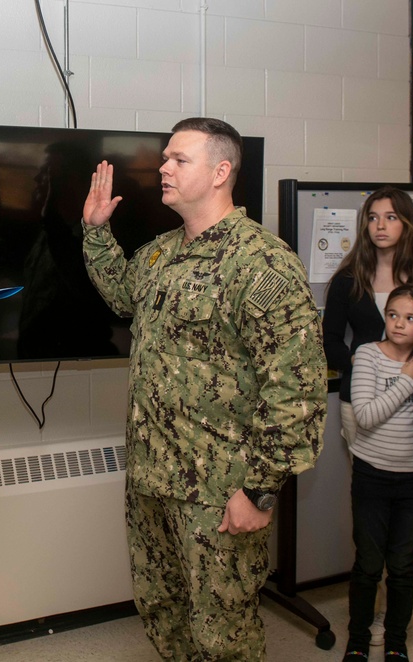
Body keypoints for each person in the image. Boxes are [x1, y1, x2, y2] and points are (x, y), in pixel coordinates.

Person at [81, 117, 327, 661]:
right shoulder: (160, 253)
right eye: (165, 158)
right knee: (164, 615)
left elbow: (298, 394)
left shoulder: (262, 263)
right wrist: (96, 232)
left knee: (224, 639)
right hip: (152, 479)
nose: (162, 168)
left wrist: (259, 491)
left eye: (178, 160)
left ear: (220, 172)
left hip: (218, 494)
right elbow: (123, 295)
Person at [322, 187, 413, 648]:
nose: (381, 225)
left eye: (391, 217)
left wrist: (408, 373)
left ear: (407, 223)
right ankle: (375, 618)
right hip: (362, 408)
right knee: (373, 524)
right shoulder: (349, 278)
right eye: (373, 217)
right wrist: (372, 367)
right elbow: (330, 340)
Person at [342, 285, 413, 662]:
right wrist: (408, 379)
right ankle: (358, 641)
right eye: (393, 314)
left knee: (403, 568)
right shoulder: (368, 355)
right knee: (368, 566)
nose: (399, 323)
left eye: (410, 318)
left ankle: (396, 643)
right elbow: (366, 415)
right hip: (372, 477)